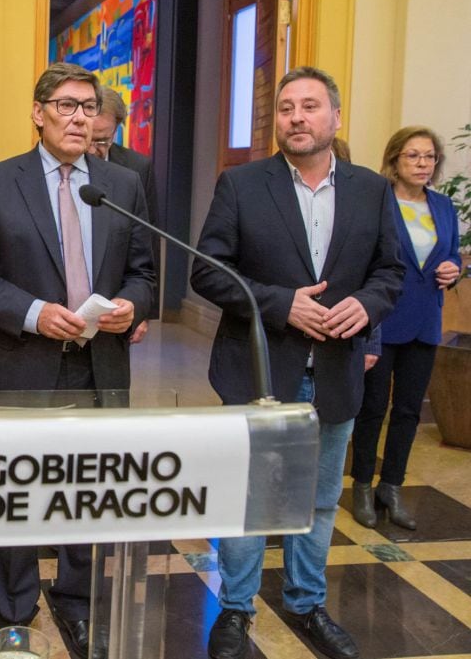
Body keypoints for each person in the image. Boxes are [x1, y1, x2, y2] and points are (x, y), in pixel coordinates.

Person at [191, 66, 404, 659]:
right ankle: (235, 610)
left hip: (336, 368)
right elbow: (207, 270)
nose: (297, 118)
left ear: (336, 117)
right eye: (286, 108)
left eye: (310, 107)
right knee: (249, 495)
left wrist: (365, 304)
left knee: (315, 496)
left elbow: (392, 272)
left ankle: (307, 602)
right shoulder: (242, 185)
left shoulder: (370, 189)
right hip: (258, 368)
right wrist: (282, 305)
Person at [0, 62, 156, 659]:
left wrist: (131, 306)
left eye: (88, 107)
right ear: (38, 113)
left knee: (86, 493)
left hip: (99, 364)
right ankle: (13, 610)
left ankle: (77, 598)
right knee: (14, 494)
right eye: (65, 106)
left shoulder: (120, 185)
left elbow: (145, 271)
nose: (78, 117)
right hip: (19, 363)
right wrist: (36, 311)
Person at [350, 126, 462, 530]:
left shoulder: (444, 206)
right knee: (372, 409)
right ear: (395, 160)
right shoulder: (378, 201)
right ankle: (362, 484)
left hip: (425, 321)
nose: (422, 164)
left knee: (409, 411)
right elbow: (365, 260)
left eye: (429, 157)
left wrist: (456, 268)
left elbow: (451, 255)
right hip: (384, 320)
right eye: (413, 156)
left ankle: (391, 486)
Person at [87, 86, 160, 343]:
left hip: (116, 298)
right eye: (89, 138)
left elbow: (148, 241)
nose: (93, 148)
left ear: (116, 129)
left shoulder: (137, 168)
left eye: (102, 140)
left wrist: (144, 311)